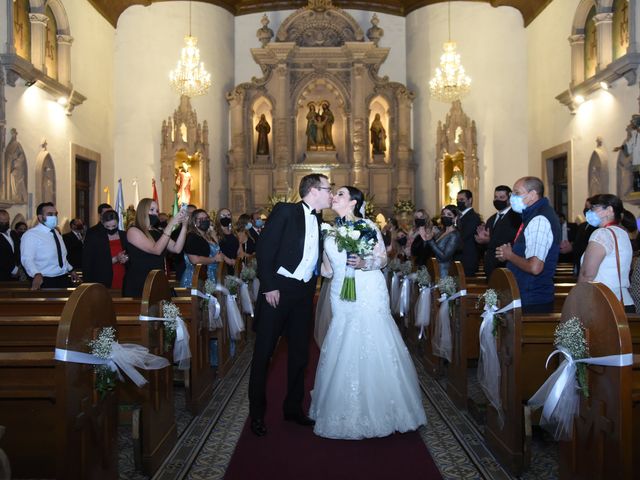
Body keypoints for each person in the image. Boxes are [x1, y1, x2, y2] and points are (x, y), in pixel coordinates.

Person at [309, 186, 426, 439]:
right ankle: (342, 408)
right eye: (335, 193)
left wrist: (364, 263)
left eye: (340, 194)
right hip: (341, 289)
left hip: (368, 286)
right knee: (343, 335)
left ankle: (383, 407)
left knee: (373, 334)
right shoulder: (329, 230)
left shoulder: (368, 226)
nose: (334, 196)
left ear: (353, 202)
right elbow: (327, 269)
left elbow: (382, 259)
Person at [248, 173, 332, 437]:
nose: (331, 194)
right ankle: (257, 414)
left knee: (299, 354)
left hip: (303, 293)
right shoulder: (286, 211)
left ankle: (293, 408)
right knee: (264, 354)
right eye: (328, 189)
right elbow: (264, 249)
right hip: (278, 291)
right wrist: (269, 285)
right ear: (314, 190)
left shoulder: (319, 220)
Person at [496, 176, 560, 314]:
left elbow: (535, 267)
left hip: (532, 298)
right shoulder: (533, 215)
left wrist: (510, 255)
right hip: (526, 295)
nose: (512, 198)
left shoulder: (539, 219)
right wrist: (509, 255)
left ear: (532, 195)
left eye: (517, 193)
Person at [578, 194, 634, 313]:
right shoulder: (623, 233)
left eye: (593, 208)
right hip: (624, 301)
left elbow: (587, 274)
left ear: (609, 210)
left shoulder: (601, 234)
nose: (589, 212)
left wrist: (578, 299)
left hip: (603, 303)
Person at [122, 198, 188, 297]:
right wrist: (171, 224)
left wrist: (184, 226)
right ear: (142, 211)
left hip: (157, 280)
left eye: (157, 211)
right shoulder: (133, 231)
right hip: (140, 282)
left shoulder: (157, 232)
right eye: (151, 210)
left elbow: (176, 248)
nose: (155, 214)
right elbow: (156, 250)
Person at [21, 202, 79, 289]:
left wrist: (71, 270)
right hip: (45, 280)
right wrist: (35, 273)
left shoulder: (56, 233)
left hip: (63, 278)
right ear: (40, 217)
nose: (54, 217)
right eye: (50, 214)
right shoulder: (31, 235)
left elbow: (61, 256)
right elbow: (27, 259)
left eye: (55, 214)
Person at [474, 185, 521, 278]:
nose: (497, 200)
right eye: (495, 197)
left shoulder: (516, 217)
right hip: (490, 267)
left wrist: (489, 240)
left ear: (509, 199)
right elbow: (486, 246)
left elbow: (511, 240)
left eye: (501, 197)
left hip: (506, 267)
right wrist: (481, 241)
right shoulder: (491, 219)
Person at [83, 210, 129, 289]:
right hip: (102, 279)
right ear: (103, 223)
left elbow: (132, 254)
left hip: (123, 276)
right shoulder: (95, 238)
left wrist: (126, 258)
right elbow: (91, 262)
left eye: (114, 226)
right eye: (107, 226)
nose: (111, 229)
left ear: (118, 223)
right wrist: (116, 259)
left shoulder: (125, 236)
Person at [180, 209, 222, 287]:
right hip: (195, 277)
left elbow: (218, 251)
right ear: (194, 222)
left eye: (206, 218)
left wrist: (214, 237)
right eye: (201, 219)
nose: (205, 221)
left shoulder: (207, 236)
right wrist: (214, 259)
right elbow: (194, 260)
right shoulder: (192, 237)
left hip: (207, 275)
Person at [420, 205, 462, 278]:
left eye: (449, 214)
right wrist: (426, 237)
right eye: (443, 214)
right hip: (433, 270)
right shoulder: (440, 232)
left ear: (455, 218)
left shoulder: (455, 235)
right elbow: (430, 250)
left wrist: (430, 241)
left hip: (444, 273)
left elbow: (444, 257)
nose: (445, 217)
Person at [455, 189, 481, 276]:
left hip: (467, 260)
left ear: (470, 200)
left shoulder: (473, 217)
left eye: (462, 200)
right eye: (457, 200)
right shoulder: (459, 217)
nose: (459, 202)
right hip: (459, 259)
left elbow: (463, 236)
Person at [573, 199, 597, 276]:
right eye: (585, 207)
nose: (586, 210)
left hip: (589, 264)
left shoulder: (598, 228)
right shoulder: (581, 226)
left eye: (589, 207)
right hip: (578, 262)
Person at [215, 208, 239, 276]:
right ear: (218, 217)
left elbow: (239, 249)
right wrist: (226, 259)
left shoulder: (234, 232)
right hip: (222, 266)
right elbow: (216, 249)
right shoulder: (215, 232)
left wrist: (237, 260)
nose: (226, 217)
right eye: (223, 215)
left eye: (228, 215)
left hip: (234, 264)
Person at [0, 209, 21, 281]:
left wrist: (18, 268)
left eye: (6, 221)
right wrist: (13, 269)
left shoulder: (13, 234)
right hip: (2, 274)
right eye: (1, 221)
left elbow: (18, 251)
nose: (4, 223)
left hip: (17, 274)